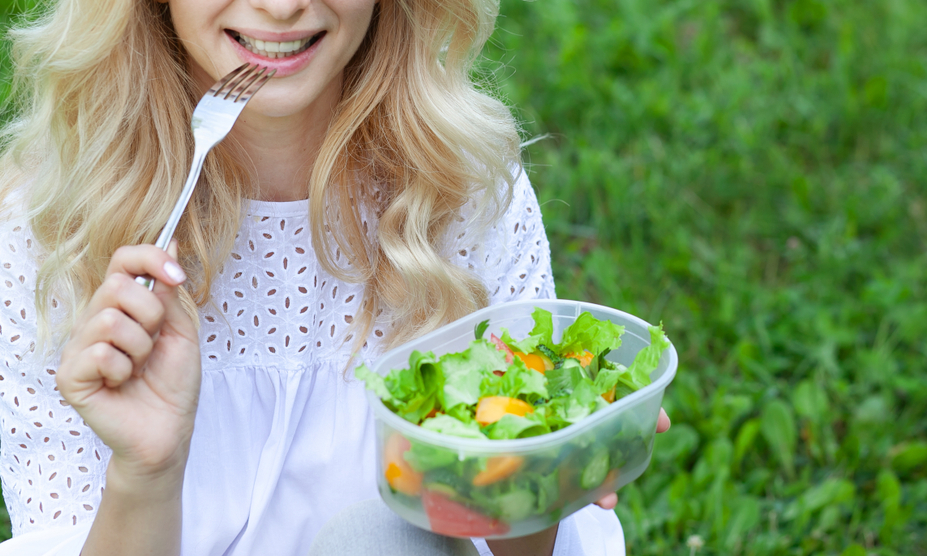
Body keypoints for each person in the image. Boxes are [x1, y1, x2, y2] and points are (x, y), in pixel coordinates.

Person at [0, 0, 671, 555]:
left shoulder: (454, 186)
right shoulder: (55, 227)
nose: (282, 6)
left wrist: (543, 471)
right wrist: (146, 474)